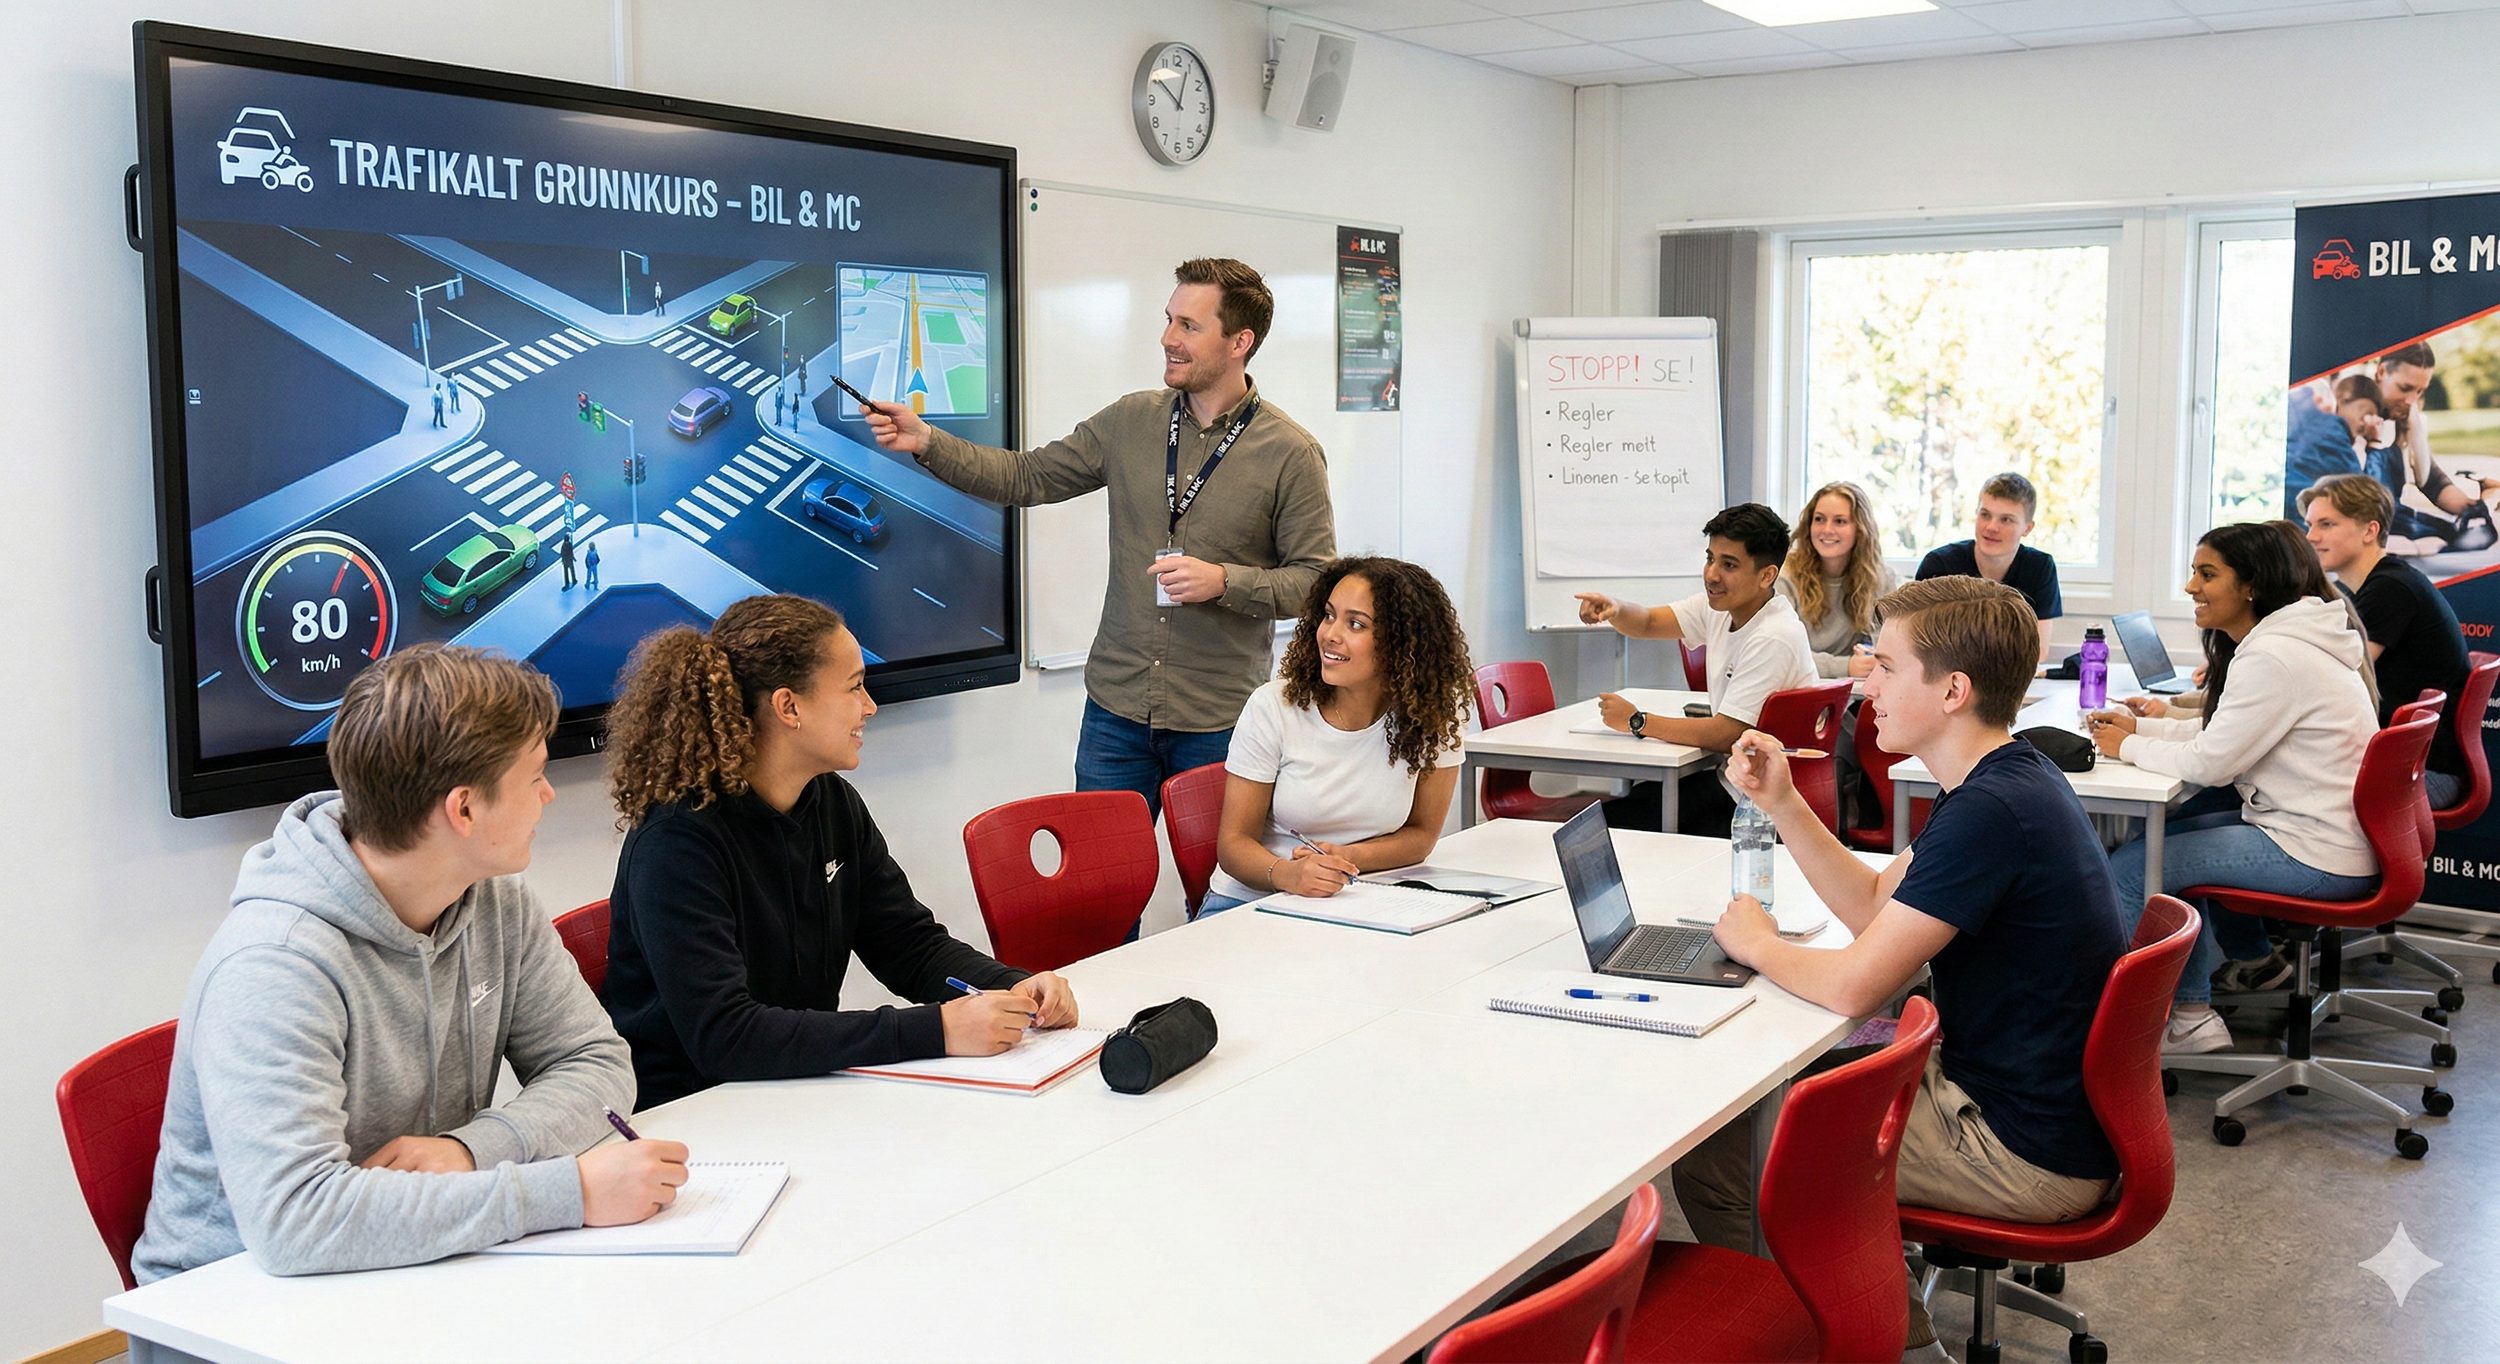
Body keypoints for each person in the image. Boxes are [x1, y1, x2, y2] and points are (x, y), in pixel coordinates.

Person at [1675, 576, 2123, 1356]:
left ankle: (1865, 1341)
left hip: (2021, 1150)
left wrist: (1756, 945)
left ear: (1952, 690)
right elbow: (1875, 907)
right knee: (1785, 1104)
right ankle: (1884, 1318)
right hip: (2037, 1111)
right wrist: (1785, 803)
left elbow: (1857, 982)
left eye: (1883, 666)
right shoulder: (2002, 778)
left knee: (1724, 1158)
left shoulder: (1987, 813)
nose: (1862, 680)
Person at [133, 645, 681, 1281]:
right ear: (464, 809)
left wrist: (470, 1152)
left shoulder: (493, 900)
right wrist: (570, 1193)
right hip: (225, 1306)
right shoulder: (275, 963)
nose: (549, 794)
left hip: (408, 1264)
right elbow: (295, 1221)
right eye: (534, 775)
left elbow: (596, 1063)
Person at [860, 258, 1335, 819]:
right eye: (1169, 320)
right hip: (1116, 711)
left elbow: (1315, 584)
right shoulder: (1132, 420)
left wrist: (1225, 582)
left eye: (1189, 326)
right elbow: (1026, 476)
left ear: (1240, 342)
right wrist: (928, 441)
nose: (1168, 338)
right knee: (1104, 897)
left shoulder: (1290, 454)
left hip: (1220, 722)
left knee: (1218, 892)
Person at [599, 595, 1078, 1109]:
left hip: (799, 1087)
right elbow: (726, 1036)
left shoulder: (829, 800)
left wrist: (1015, 988)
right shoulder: (677, 840)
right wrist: (937, 1029)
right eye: (854, 687)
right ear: (789, 707)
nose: (869, 706)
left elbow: (907, 944)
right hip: (696, 1113)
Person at [2088, 522, 2379, 1053]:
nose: (2190, 587)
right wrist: (2142, 729)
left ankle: (2179, 1022)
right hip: (2324, 835)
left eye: (2207, 574)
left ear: (2251, 585)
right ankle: (2194, 1008)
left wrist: (2124, 748)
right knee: (2154, 847)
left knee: (2131, 872)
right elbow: (2224, 733)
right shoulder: (2289, 640)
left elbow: (2212, 762)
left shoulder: (2273, 656)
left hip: (2316, 851)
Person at [1205, 557, 1472, 916]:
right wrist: (1289, 874)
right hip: (1250, 903)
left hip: (1355, 900)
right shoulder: (1274, 706)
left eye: (1356, 624)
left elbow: (1421, 834)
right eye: (1328, 615)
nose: (1330, 633)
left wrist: (1346, 858)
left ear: (1402, 644)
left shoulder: (1435, 710)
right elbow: (1234, 844)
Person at [1574, 503, 1816, 835]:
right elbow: (1647, 622)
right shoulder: (1720, 606)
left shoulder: (1774, 634)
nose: (1712, 574)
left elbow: (1725, 733)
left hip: (1757, 806)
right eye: (1710, 558)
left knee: (1608, 823)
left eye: (1728, 564)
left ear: (1766, 575)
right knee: (1635, 801)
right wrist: (1615, 609)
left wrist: (1637, 721)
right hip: (1739, 784)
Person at [2304, 472, 2473, 808]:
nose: (2310, 536)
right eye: (2309, 524)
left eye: (2326, 525)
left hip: (2423, 773)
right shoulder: (2372, 586)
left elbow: (2337, 676)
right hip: (2407, 761)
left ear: (2370, 530)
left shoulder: (2390, 589)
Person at [2345, 342, 2498, 555]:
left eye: (2420, 391)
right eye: (2405, 388)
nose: (2411, 400)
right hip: (2361, 528)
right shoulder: (2347, 416)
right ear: (2381, 372)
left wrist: (2473, 509)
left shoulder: (2404, 419)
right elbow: (2363, 499)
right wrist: (2374, 443)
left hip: (2395, 520)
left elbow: (2432, 481)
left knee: (2465, 535)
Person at [1915, 471, 2060, 655]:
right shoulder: (1939, 565)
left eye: (2006, 519)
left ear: (2027, 528)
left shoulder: (2040, 567)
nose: (1991, 527)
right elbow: (1921, 643)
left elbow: (2038, 650)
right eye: (1985, 515)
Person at [1777, 480, 1899, 681]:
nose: (1827, 530)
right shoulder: (1785, 578)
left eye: (1840, 521)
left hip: (1853, 692)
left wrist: (1873, 658)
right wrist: (1846, 666)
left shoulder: (1879, 577)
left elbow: (1889, 644)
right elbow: (1780, 654)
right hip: (1795, 686)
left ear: (1860, 528)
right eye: (1819, 519)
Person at [2281, 373, 2387, 520]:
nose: (2368, 423)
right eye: (2367, 414)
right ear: (2342, 400)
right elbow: (2373, 500)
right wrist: (2375, 444)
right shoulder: (2332, 432)